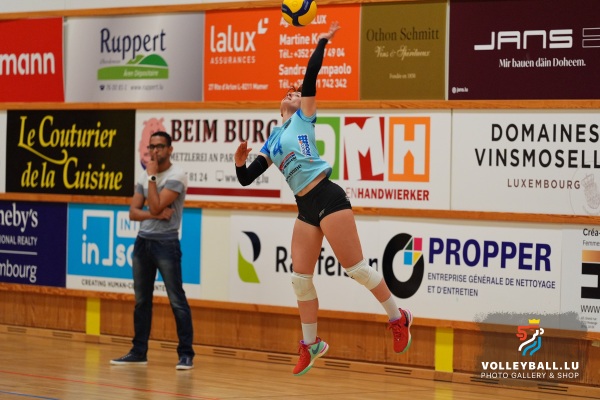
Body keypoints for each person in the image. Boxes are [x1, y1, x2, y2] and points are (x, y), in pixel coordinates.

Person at [234, 22, 413, 376]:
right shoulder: (271, 141)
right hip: (305, 208)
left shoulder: (304, 118)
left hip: (327, 196)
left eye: (297, 91)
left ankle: (398, 317)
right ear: (279, 106)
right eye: (289, 92)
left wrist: (321, 41)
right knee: (300, 279)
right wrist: (240, 161)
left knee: (356, 269)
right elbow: (245, 178)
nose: (293, 92)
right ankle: (311, 344)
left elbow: (311, 75)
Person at [111, 131, 195, 370]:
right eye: (151, 147)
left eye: (160, 146)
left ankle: (186, 354)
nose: (155, 151)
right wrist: (154, 215)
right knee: (141, 301)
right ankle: (139, 352)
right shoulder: (145, 174)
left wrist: (152, 178)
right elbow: (133, 212)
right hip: (143, 242)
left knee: (176, 299)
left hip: (166, 243)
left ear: (170, 149)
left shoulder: (177, 175)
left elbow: (156, 204)